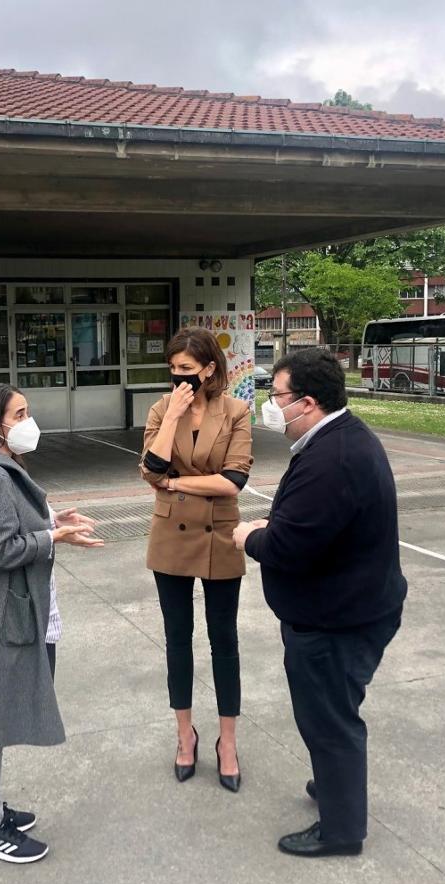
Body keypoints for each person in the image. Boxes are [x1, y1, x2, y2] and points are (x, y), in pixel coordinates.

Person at [233, 349, 407, 857]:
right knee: (330, 713)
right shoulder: (337, 438)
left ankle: (342, 829)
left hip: (339, 620)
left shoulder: (332, 458)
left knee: (330, 721)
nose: (271, 405)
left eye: (277, 396)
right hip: (348, 606)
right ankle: (334, 785)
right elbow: (316, 528)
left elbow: (289, 547)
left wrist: (250, 535)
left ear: (307, 402)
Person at [0, 383, 102, 864]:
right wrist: (53, 537)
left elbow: (9, 523)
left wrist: (51, 518)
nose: (30, 421)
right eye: (21, 413)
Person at [140, 327, 254, 792]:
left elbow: (231, 481)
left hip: (220, 534)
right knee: (177, 639)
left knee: (224, 640)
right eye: (173, 371)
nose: (178, 379)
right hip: (170, 535)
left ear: (209, 369)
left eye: (187, 371)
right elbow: (150, 467)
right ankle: (184, 734)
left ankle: (227, 742)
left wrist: (173, 483)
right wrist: (172, 419)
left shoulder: (237, 411)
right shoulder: (161, 408)